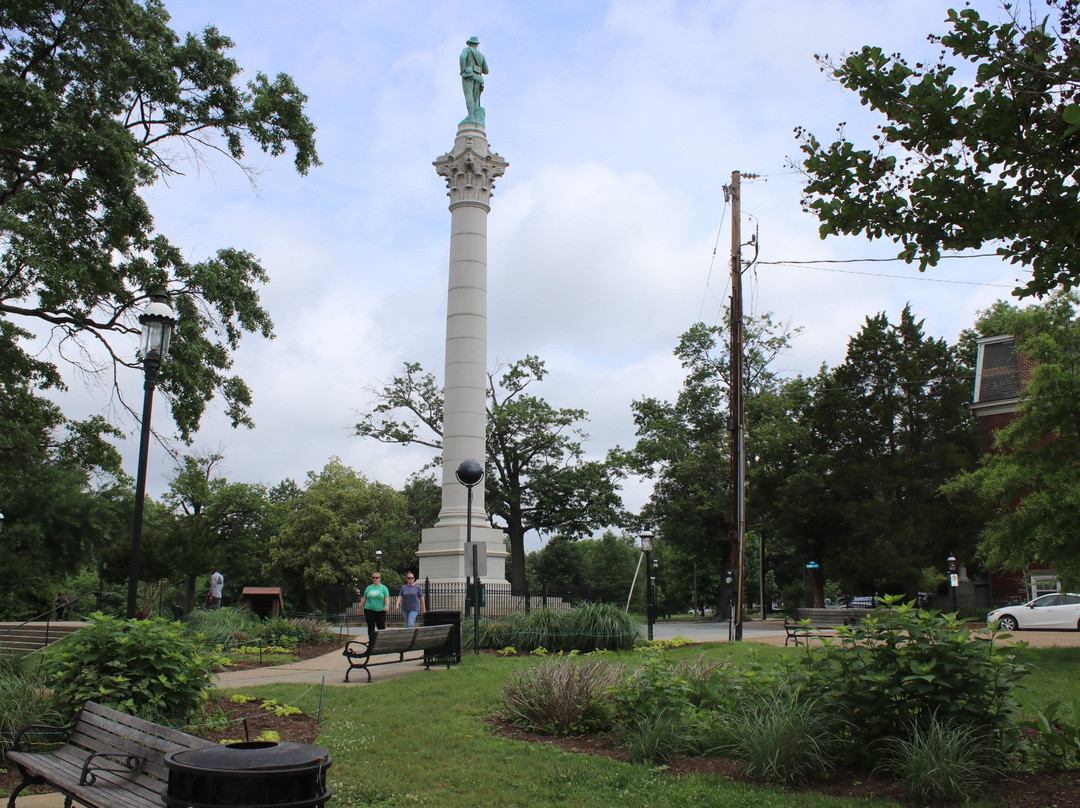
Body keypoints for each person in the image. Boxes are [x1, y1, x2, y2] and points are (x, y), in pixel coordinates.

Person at [459, 36, 488, 122]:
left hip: (468, 75)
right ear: (476, 45)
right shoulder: (481, 56)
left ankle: (471, 115)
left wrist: (463, 70)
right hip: (478, 77)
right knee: (476, 98)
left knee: (469, 95)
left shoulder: (467, 50)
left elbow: (462, 57)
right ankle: (475, 115)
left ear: (470, 44)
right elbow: (486, 71)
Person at [359, 572, 390, 640]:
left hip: (380, 610)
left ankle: (381, 640)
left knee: (381, 626)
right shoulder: (368, 588)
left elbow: (386, 597)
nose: (375, 579)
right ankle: (371, 640)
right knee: (370, 626)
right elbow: (364, 598)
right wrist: (360, 606)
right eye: (374, 577)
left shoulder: (383, 588)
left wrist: (387, 605)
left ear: (380, 578)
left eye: (377, 577)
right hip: (369, 609)